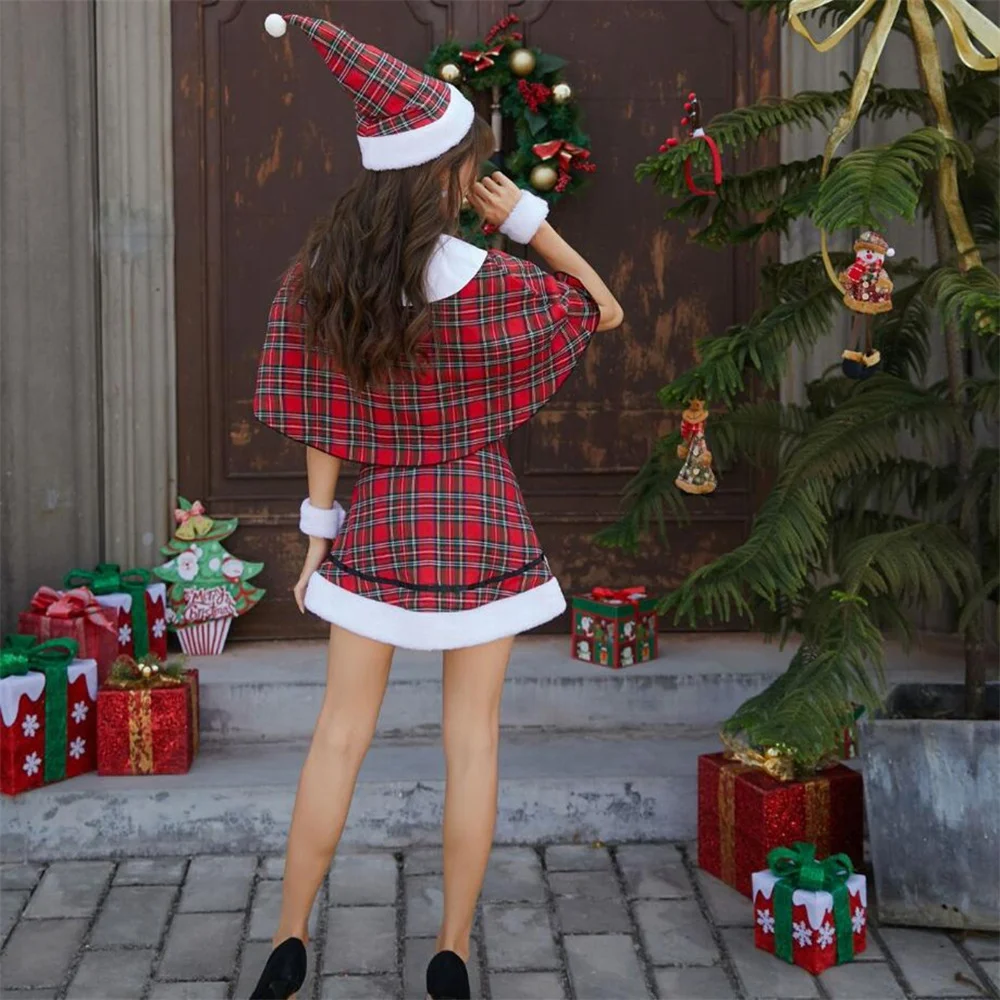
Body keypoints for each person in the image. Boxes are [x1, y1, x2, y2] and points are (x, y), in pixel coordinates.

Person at [249, 13, 623, 1000]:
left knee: (338, 732)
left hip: (377, 522)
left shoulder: (323, 278)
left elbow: (323, 419)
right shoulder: (490, 279)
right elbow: (601, 307)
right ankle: (450, 955)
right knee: (474, 740)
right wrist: (528, 224)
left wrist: (317, 541)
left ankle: (288, 941)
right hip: (481, 521)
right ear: (450, 173)